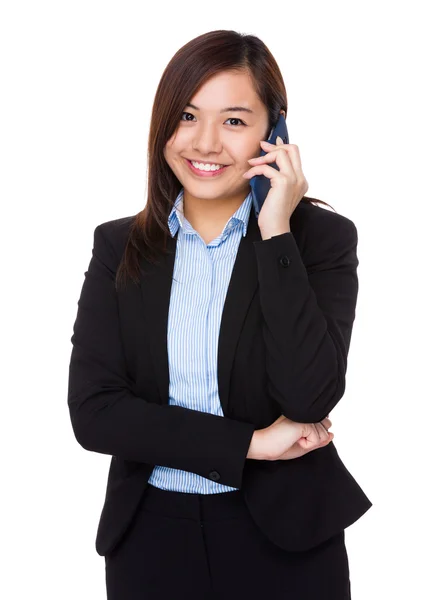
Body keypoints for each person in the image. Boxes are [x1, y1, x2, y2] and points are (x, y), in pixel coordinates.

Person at [67, 29, 372, 600]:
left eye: (234, 121)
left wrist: (275, 230)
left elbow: (309, 397)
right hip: (150, 540)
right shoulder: (120, 246)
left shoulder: (318, 241)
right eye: (187, 115)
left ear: (273, 132)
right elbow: (95, 414)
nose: (204, 143)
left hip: (286, 541)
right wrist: (249, 444)